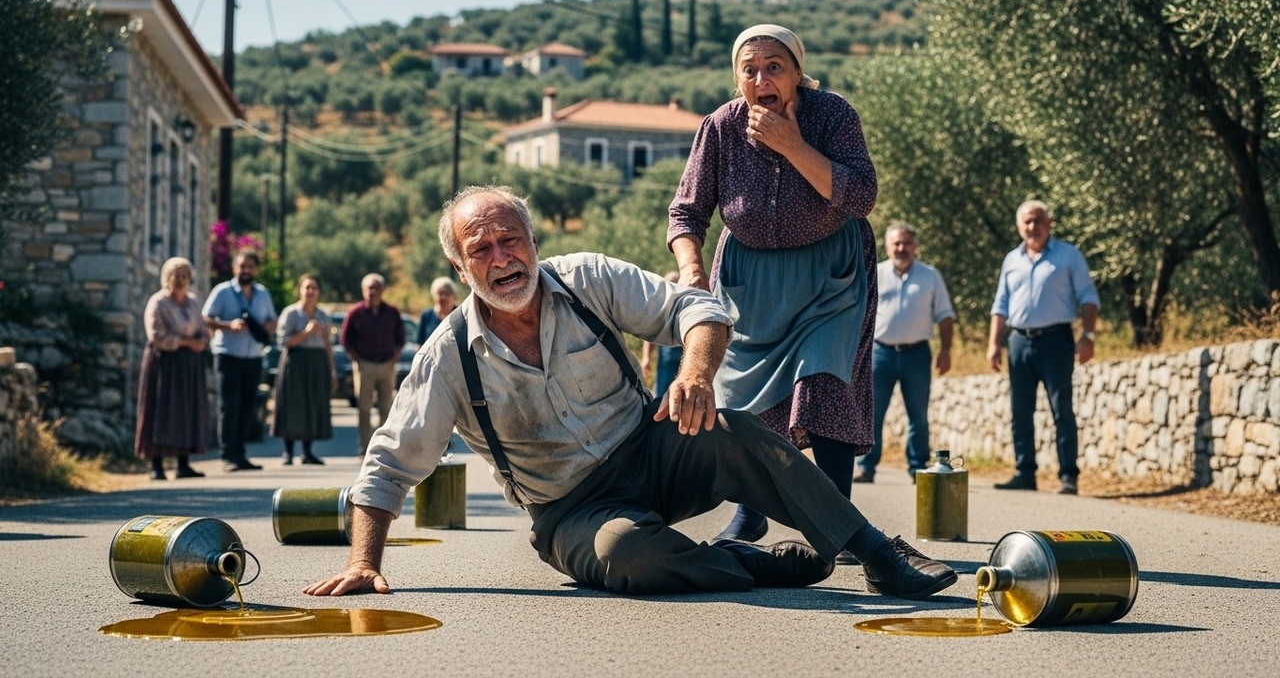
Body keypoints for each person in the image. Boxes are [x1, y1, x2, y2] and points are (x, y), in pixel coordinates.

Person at [302, 186, 955, 602]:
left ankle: (877, 554)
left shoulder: (586, 280)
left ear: (534, 242)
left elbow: (698, 311)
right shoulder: (448, 356)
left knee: (737, 430)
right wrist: (364, 561)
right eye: (482, 249)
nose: (502, 258)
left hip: (652, 451)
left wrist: (694, 374)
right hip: (571, 511)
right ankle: (740, 563)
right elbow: (390, 462)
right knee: (632, 556)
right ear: (458, 267)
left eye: (511, 240)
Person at [667, 24, 879, 543]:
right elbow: (686, 213)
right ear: (737, 78)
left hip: (830, 276)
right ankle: (751, 511)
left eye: (774, 67)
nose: (761, 79)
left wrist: (793, 145)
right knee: (743, 399)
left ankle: (837, 522)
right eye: (750, 70)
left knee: (825, 380)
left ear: (797, 73)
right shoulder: (720, 126)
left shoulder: (833, 115)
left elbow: (861, 196)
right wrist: (692, 271)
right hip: (750, 281)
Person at [987, 200, 1100, 495]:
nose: (1032, 226)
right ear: (1019, 227)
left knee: (1061, 409)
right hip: (1019, 341)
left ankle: (1068, 475)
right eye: (1027, 222)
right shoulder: (1012, 259)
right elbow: (1001, 303)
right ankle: (1025, 472)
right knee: (1020, 411)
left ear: (1049, 223)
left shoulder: (1068, 255)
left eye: (1038, 220)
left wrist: (1088, 335)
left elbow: (1088, 296)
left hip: (1056, 341)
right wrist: (994, 343)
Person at [855, 223, 956, 483]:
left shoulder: (930, 276)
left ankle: (917, 468)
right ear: (887, 246)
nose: (901, 248)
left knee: (918, 416)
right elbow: (859, 313)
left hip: (917, 355)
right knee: (872, 413)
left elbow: (945, 316)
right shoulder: (874, 273)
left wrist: (946, 350)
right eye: (896, 243)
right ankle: (866, 467)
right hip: (880, 354)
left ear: (915, 246)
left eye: (906, 243)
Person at [135, 257, 210, 480]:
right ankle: (156, 465)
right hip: (164, 363)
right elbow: (156, 335)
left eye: (184, 275)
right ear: (166, 278)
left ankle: (183, 464)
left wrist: (202, 341)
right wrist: (186, 342)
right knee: (160, 409)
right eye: (176, 275)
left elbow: (203, 329)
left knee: (185, 410)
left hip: (188, 365)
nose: (180, 280)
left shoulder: (194, 303)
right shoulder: (158, 302)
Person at [203, 249, 277, 471]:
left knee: (247, 407)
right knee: (229, 407)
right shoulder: (222, 291)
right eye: (242, 266)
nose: (246, 270)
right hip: (228, 356)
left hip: (253, 357)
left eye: (250, 266)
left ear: (256, 270)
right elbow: (206, 318)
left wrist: (267, 327)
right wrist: (228, 325)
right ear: (234, 268)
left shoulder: (263, 294)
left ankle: (241, 454)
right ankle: (228, 456)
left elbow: (272, 320)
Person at [272, 274, 336, 465]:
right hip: (295, 362)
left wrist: (332, 371)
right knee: (292, 405)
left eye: (314, 288)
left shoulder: (323, 315)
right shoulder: (291, 313)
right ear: (299, 290)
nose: (310, 291)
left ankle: (307, 452)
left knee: (312, 404)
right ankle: (288, 452)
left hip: (317, 363)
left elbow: (328, 345)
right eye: (307, 287)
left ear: (319, 292)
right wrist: (306, 332)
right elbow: (284, 341)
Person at [341, 273, 405, 455]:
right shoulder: (355, 313)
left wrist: (394, 359)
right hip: (364, 366)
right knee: (364, 409)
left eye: (377, 288)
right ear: (363, 290)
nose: (373, 291)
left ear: (383, 290)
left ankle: (382, 449)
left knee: (386, 409)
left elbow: (400, 339)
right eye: (370, 288)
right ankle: (365, 448)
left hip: (387, 365)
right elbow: (345, 340)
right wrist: (357, 360)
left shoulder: (392, 312)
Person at [640, 271, 684, 397]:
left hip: (685, 360)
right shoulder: (660, 309)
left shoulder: (687, 307)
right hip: (666, 363)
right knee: (662, 393)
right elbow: (649, 335)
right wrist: (646, 358)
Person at [416, 276, 457, 344]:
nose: (443, 297)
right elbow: (420, 343)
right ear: (433, 295)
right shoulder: (426, 315)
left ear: (453, 295)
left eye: (447, 293)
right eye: (440, 293)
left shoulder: (459, 314)